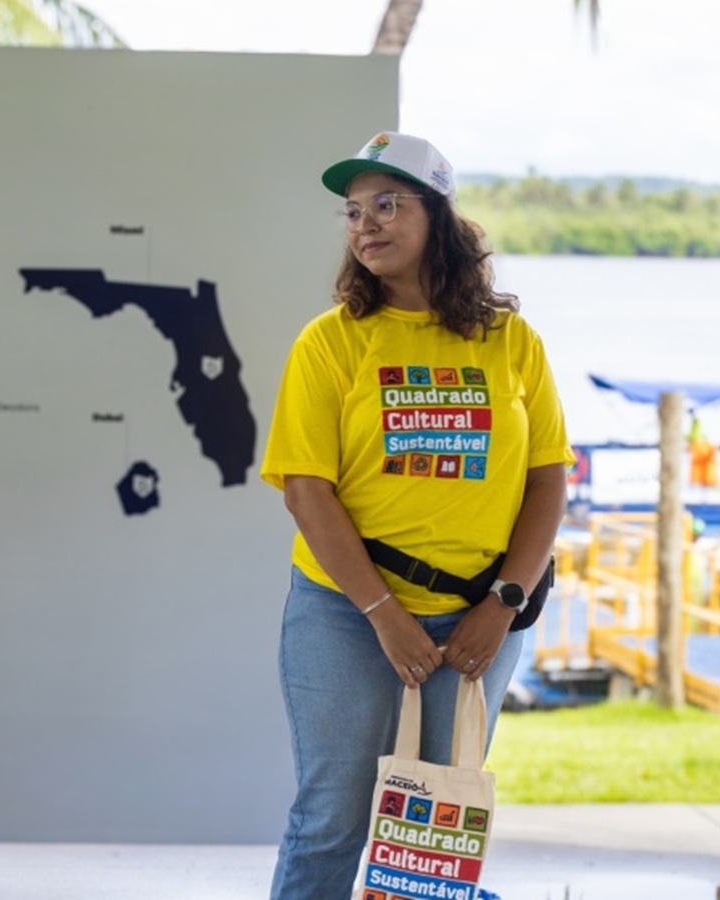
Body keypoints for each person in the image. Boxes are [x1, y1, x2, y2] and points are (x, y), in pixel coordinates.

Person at [260, 132, 571, 899]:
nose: (366, 224)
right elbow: (307, 491)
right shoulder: (331, 343)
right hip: (345, 611)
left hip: (480, 615)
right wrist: (384, 614)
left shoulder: (510, 342)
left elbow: (547, 482)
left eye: (388, 204)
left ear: (438, 215)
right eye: (354, 211)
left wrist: (503, 605)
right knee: (333, 818)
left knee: (431, 834)